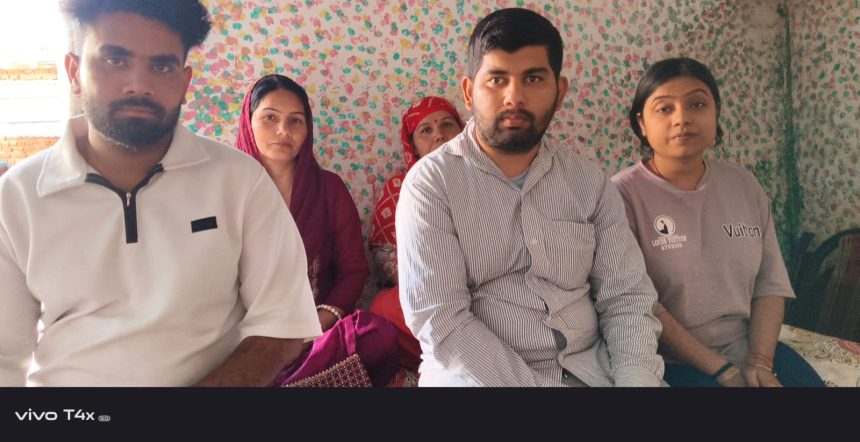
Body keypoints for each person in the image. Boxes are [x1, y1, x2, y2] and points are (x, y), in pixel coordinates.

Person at [0, 0, 323, 387]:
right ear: (74, 72)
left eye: (162, 66)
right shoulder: (18, 196)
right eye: (115, 60)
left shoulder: (239, 182)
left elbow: (282, 323)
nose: (138, 84)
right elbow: (5, 356)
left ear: (185, 83)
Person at [395, 8, 664, 387]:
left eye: (533, 78)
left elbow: (627, 298)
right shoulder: (431, 185)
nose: (514, 97)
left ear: (559, 92)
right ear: (469, 93)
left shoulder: (588, 182)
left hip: (592, 370)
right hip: (477, 381)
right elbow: (441, 322)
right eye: (497, 79)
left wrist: (636, 382)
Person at [612, 57, 824, 387]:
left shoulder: (743, 184)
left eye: (697, 104)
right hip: (667, 359)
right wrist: (721, 370)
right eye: (664, 109)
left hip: (748, 347)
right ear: (641, 123)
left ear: (716, 112)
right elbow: (639, 304)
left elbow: (769, 284)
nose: (682, 118)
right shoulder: (621, 195)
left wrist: (760, 361)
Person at [235, 74, 398, 386]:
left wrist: (312, 328)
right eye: (270, 117)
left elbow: (353, 270)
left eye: (295, 121)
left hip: (314, 335)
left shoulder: (328, 188)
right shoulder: (227, 191)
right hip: (246, 340)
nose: (283, 130)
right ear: (248, 121)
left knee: (377, 336)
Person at [368, 96, 464, 371]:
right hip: (426, 294)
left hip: (481, 290)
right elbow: (385, 255)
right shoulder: (399, 188)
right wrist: (431, 287)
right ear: (413, 145)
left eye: (447, 124)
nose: (439, 135)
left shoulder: (485, 180)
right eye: (426, 130)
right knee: (384, 308)